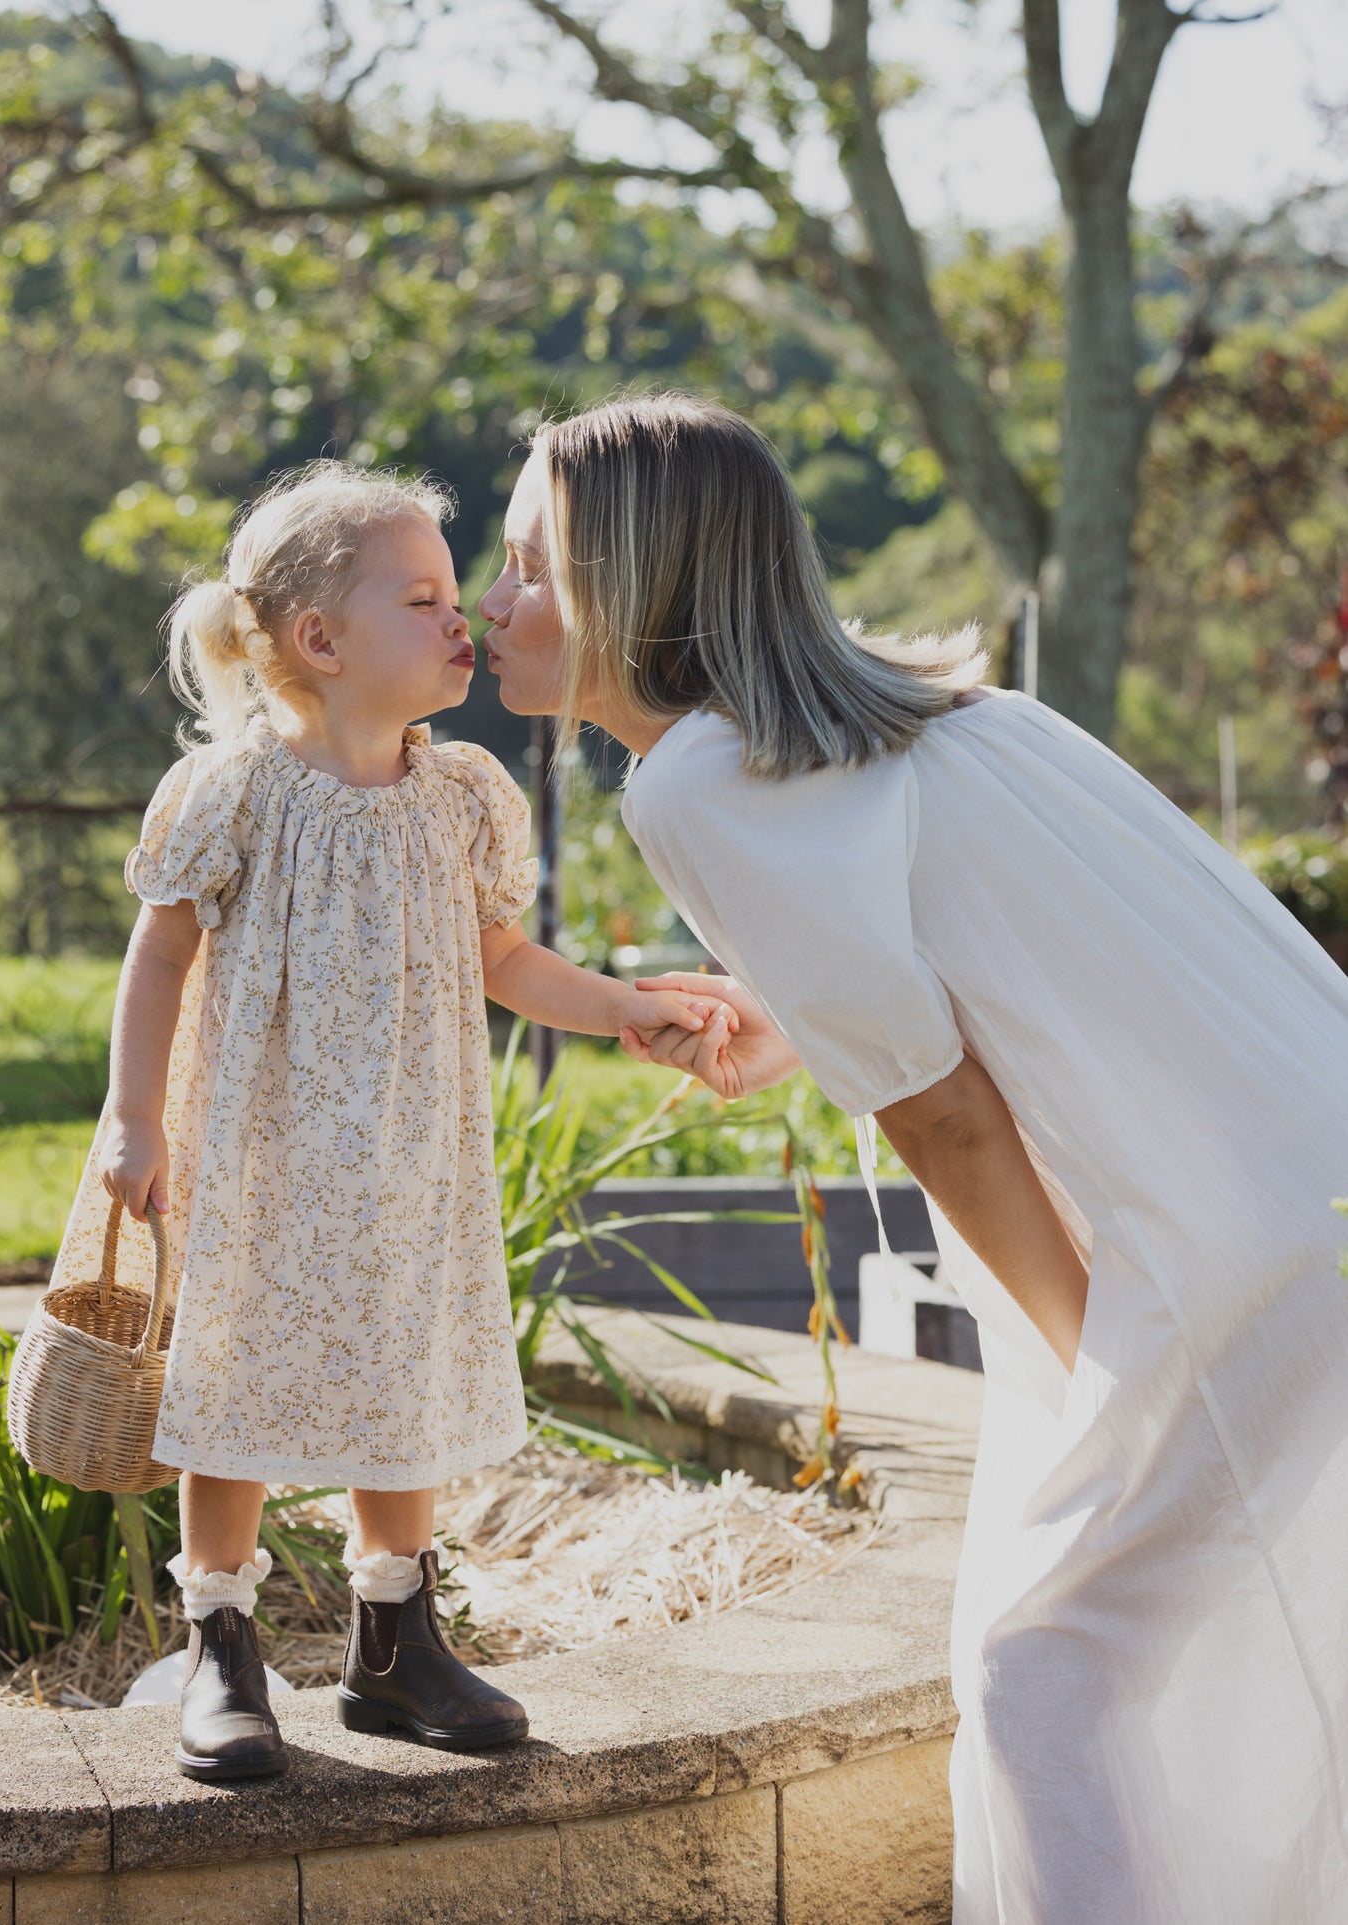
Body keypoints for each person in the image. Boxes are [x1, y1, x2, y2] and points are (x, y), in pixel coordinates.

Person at [478, 392, 1348, 1923]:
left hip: (1242, 1251)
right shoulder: (948, 718)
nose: (495, 603)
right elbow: (1002, 956)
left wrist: (1091, 1356)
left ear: (638, 581)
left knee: (1041, 1665)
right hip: (1298, 1188)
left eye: (531, 566)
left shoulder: (689, 779)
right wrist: (794, 1022)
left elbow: (944, 1113)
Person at [52, 460, 732, 1782]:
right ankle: (222, 1645)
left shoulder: (462, 792)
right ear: (319, 639)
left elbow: (504, 960)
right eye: (422, 597)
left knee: (404, 1385)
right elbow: (157, 959)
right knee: (234, 1393)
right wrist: (131, 1120)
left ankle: (392, 1640)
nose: (459, 614)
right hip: (259, 1158)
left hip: (413, 1162)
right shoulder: (234, 792)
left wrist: (625, 1007)